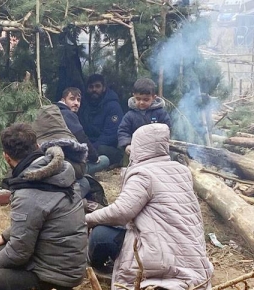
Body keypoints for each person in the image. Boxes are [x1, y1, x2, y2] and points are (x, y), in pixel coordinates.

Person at [85, 123, 213, 290]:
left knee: (100, 234)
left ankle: (102, 270)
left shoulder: (144, 174)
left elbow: (121, 212)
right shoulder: (181, 170)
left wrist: (87, 219)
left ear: (138, 145)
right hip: (192, 256)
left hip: (159, 256)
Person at [0, 123, 87, 290]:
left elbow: (18, 254)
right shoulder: (61, 169)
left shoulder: (28, 191)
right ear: (37, 146)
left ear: (6, 157)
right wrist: (4, 236)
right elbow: (37, 218)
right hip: (68, 264)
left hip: (54, 276)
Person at [57, 87, 110, 174]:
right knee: (105, 160)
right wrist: (95, 157)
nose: (76, 103)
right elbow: (81, 138)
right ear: (63, 100)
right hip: (68, 164)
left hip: (57, 158)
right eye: (72, 99)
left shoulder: (54, 112)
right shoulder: (68, 114)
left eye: (78, 100)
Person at [79, 74, 124, 167]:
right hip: (87, 145)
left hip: (107, 147)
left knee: (101, 150)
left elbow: (111, 135)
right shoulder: (83, 105)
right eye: (91, 87)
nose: (94, 90)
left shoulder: (113, 106)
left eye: (97, 86)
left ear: (104, 88)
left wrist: (90, 149)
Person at [118, 78, 171, 156]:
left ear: (153, 97)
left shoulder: (160, 113)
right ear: (133, 96)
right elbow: (123, 131)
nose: (141, 102)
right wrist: (127, 145)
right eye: (138, 99)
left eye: (146, 99)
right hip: (136, 151)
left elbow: (167, 129)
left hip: (156, 151)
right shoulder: (130, 115)